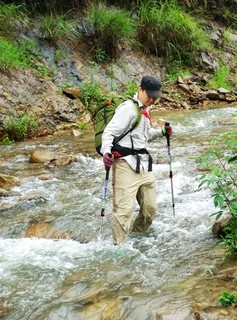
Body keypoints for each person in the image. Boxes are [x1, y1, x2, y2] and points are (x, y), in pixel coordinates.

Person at [101, 75, 172, 245]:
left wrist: (162, 132)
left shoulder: (145, 110)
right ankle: (119, 250)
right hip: (125, 165)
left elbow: (144, 137)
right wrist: (106, 152)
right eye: (150, 96)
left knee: (150, 209)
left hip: (144, 165)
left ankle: (136, 236)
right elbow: (109, 132)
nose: (152, 100)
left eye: (155, 97)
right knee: (123, 212)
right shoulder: (127, 108)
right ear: (140, 89)